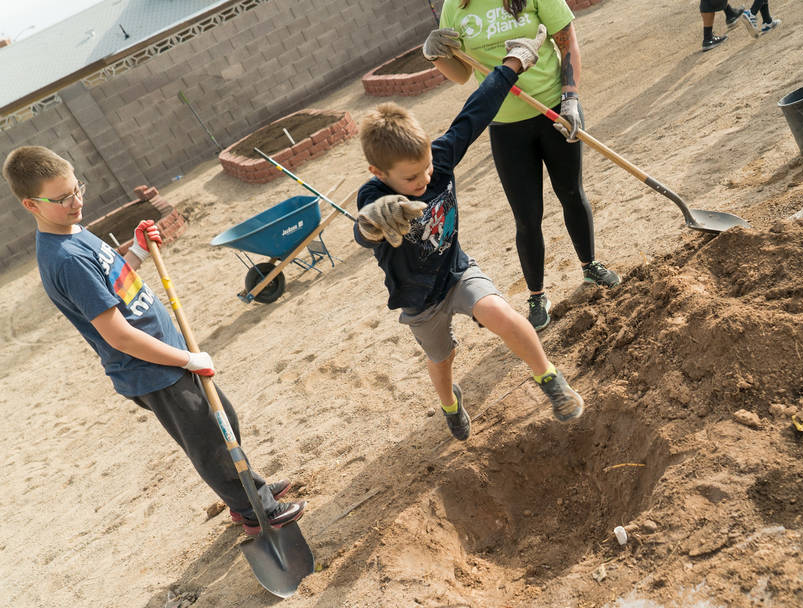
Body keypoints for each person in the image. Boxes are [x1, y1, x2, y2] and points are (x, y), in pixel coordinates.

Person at [3, 146, 304, 536]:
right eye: (62, 199)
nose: (76, 201)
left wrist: (139, 252)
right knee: (212, 443)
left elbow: (115, 284)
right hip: (153, 369)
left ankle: (247, 489)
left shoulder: (75, 232)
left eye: (77, 189)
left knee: (222, 420)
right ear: (31, 204)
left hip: (169, 354)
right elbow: (118, 334)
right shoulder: (65, 259)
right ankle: (254, 509)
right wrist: (184, 360)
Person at [353, 26, 585, 440]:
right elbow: (364, 232)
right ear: (379, 173)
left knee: (501, 313)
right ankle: (450, 403)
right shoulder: (374, 195)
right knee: (442, 360)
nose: (425, 179)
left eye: (426, 168)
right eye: (410, 179)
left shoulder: (437, 161)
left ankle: (550, 380)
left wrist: (514, 62)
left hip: (457, 273)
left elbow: (475, 111)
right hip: (418, 297)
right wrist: (372, 220)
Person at [424, 0, 620, 332]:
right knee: (526, 217)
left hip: (555, 111)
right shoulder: (455, 6)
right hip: (504, 126)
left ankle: (590, 265)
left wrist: (571, 97)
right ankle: (536, 294)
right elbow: (462, 75)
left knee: (571, 192)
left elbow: (566, 38)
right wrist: (435, 56)